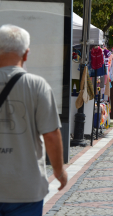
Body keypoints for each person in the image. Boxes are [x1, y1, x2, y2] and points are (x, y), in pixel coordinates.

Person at [0, 25, 67, 215]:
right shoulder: (37, 86)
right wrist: (59, 172)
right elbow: (52, 135)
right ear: (26, 54)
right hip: (25, 189)